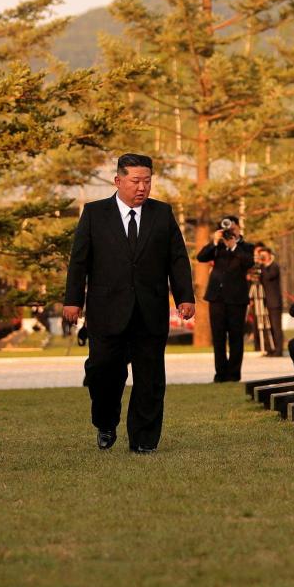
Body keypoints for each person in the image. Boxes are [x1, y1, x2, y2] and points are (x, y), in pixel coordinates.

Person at [62, 153, 195, 453]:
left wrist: (185, 296)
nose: (142, 187)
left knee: (150, 378)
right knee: (103, 372)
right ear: (118, 180)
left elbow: (177, 258)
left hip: (150, 310)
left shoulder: (162, 213)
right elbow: (79, 261)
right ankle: (105, 422)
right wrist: (73, 300)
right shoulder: (95, 213)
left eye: (147, 181)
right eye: (135, 181)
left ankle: (144, 440)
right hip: (106, 311)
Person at [195, 213, 255, 383]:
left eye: (232, 228)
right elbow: (201, 257)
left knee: (236, 337)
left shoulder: (246, 247)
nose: (229, 231)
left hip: (237, 299)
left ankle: (234, 374)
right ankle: (220, 374)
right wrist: (214, 241)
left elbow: (249, 263)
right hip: (217, 298)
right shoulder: (218, 247)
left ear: (238, 228)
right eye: (227, 228)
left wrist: (234, 246)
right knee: (218, 337)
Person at [253, 244, 284, 357]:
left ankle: (278, 350)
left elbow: (268, 276)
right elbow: (256, 278)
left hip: (274, 302)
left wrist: (262, 265)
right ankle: (270, 348)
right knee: (268, 327)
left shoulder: (274, 267)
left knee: (276, 327)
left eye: (264, 256)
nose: (262, 258)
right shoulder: (262, 268)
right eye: (261, 256)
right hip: (264, 301)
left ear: (270, 255)